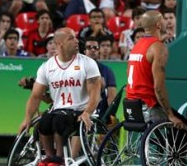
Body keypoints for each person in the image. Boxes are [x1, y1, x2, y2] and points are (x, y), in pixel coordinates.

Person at [18, 28, 101, 166]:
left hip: (80, 110)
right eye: (71, 38)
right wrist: (27, 118)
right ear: (59, 44)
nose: (77, 41)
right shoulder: (47, 66)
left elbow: (95, 93)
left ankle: (59, 159)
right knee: (44, 120)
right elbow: (36, 96)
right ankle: (49, 158)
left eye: (75, 37)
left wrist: (88, 112)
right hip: (58, 110)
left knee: (59, 120)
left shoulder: (87, 63)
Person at [125, 11, 187, 129]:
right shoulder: (158, 48)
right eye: (163, 19)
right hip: (148, 106)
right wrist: (170, 115)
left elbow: (128, 72)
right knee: (183, 124)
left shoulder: (137, 45)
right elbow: (159, 88)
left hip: (131, 105)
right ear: (158, 24)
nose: (166, 22)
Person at [84, 37, 117, 119]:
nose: (93, 50)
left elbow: (112, 100)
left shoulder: (107, 71)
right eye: (89, 47)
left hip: (100, 115)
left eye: (95, 48)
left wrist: (110, 117)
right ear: (84, 51)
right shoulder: (76, 69)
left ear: (98, 51)